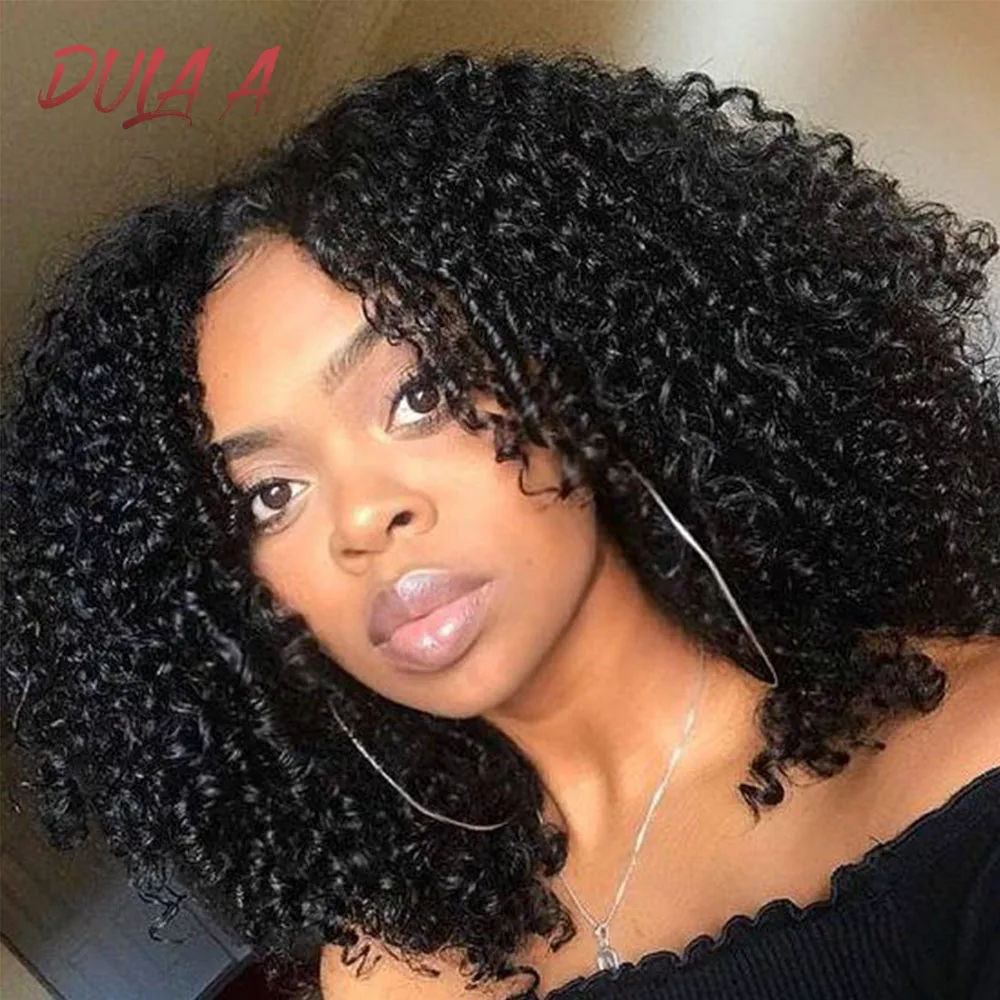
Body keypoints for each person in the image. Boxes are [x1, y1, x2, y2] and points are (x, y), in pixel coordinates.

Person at [2, 50, 998, 1000]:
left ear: (577, 358)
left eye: (418, 395)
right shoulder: (388, 973)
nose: (362, 518)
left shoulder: (963, 762)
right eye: (268, 495)